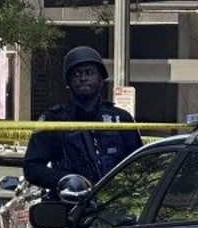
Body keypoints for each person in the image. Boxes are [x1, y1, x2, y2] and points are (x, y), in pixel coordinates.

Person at [23, 46, 143, 196]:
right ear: (69, 81)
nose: (83, 78)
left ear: (100, 79)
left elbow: (140, 165)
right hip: (70, 205)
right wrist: (65, 180)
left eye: (89, 73)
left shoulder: (120, 119)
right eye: (77, 74)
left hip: (114, 205)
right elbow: (32, 167)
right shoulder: (54, 119)